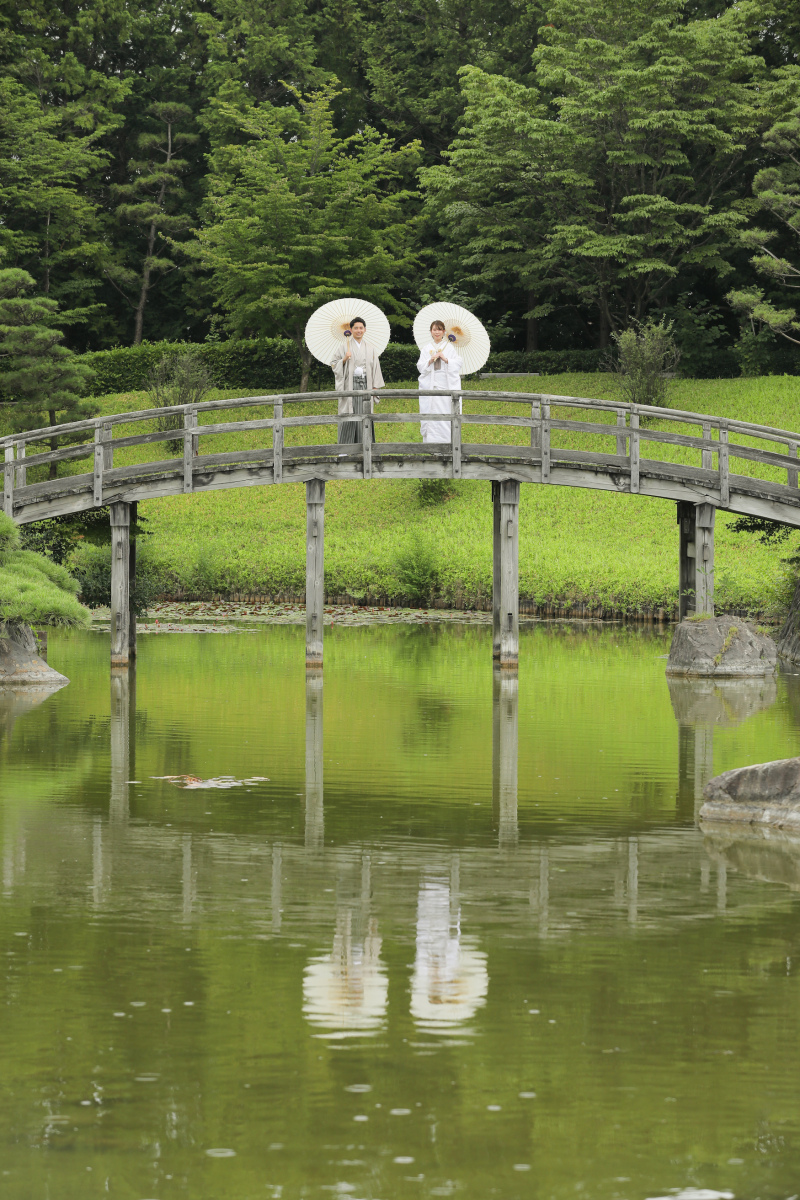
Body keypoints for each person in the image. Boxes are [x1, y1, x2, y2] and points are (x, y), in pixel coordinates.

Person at [330, 317, 385, 447]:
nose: (358, 330)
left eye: (361, 328)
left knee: (365, 414)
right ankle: (345, 448)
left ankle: (365, 446)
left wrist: (375, 387)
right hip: (350, 385)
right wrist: (344, 359)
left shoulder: (370, 348)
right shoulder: (344, 347)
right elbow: (333, 364)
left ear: (365, 330)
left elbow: (376, 367)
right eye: (356, 328)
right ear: (350, 330)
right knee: (349, 413)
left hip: (366, 385)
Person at [417, 320, 463, 443]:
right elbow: (420, 367)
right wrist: (430, 361)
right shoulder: (426, 349)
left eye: (439, 329)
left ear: (444, 332)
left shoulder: (449, 348)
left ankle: (447, 443)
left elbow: (458, 363)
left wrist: (446, 359)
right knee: (430, 414)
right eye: (434, 329)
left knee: (445, 415)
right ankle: (430, 444)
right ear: (431, 332)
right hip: (430, 387)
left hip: (445, 387)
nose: (437, 332)